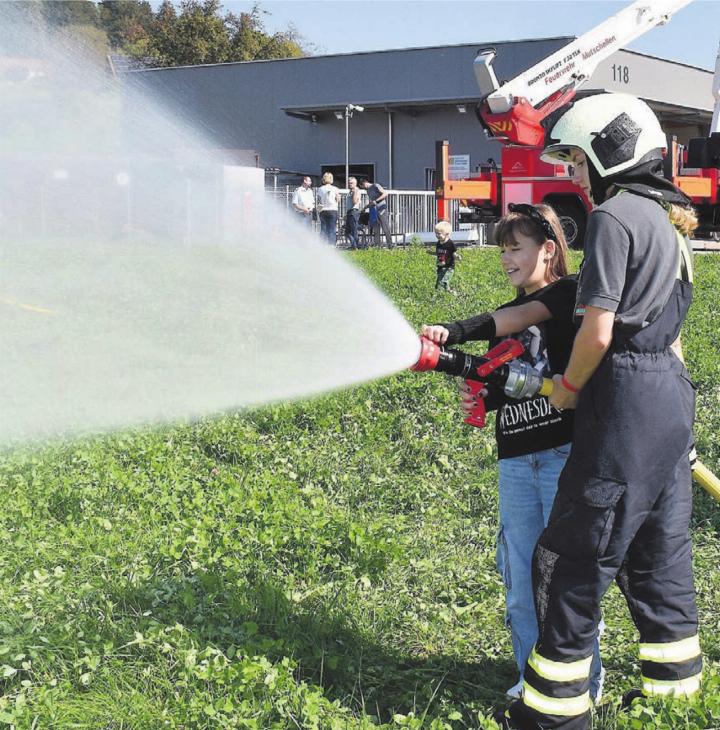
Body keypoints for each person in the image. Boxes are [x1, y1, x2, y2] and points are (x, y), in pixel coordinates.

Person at [502, 93, 700, 730]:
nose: (576, 179)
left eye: (578, 163)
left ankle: (554, 715)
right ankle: (674, 698)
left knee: (571, 556)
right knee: (658, 553)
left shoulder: (614, 218)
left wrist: (565, 388)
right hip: (670, 397)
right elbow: (668, 332)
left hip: (625, 407)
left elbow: (597, 331)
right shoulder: (669, 225)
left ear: (608, 149)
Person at [421, 203, 603, 704]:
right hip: (517, 458)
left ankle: (581, 683)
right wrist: (486, 391)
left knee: (564, 575)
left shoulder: (565, 296)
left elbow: (515, 317)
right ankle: (531, 678)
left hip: (562, 454)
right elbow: (518, 374)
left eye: (515, 248)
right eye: (502, 249)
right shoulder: (515, 315)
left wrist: (452, 334)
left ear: (548, 250)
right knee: (521, 576)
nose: (505, 258)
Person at [360, 178, 394, 248]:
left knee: (385, 227)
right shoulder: (368, 191)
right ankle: (377, 245)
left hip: (382, 208)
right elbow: (372, 202)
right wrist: (365, 207)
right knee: (376, 228)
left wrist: (376, 201)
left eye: (362, 186)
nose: (363, 188)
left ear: (364, 183)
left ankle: (390, 245)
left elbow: (385, 194)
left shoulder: (375, 185)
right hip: (374, 211)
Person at [429, 220, 460, 292]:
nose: (437, 235)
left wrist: (457, 257)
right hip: (440, 266)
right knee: (438, 284)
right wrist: (432, 253)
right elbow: (439, 253)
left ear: (447, 234)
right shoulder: (438, 243)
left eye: (439, 234)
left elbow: (453, 253)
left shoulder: (450, 243)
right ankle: (448, 293)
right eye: (436, 233)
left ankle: (448, 294)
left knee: (444, 282)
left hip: (448, 267)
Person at [317, 172, 340, 245]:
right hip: (333, 210)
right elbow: (338, 199)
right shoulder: (335, 189)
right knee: (332, 228)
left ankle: (322, 244)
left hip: (323, 210)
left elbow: (319, 200)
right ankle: (331, 245)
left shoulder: (320, 189)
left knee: (323, 229)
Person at [345, 176, 362, 249]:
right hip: (349, 212)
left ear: (355, 183)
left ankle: (356, 246)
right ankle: (353, 245)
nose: (349, 184)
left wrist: (355, 192)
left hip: (354, 212)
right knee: (347, 232)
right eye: (349, 183)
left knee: (354, 230)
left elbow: (355, 201)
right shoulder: (350, 192)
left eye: (351, 183)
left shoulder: (356, 191)